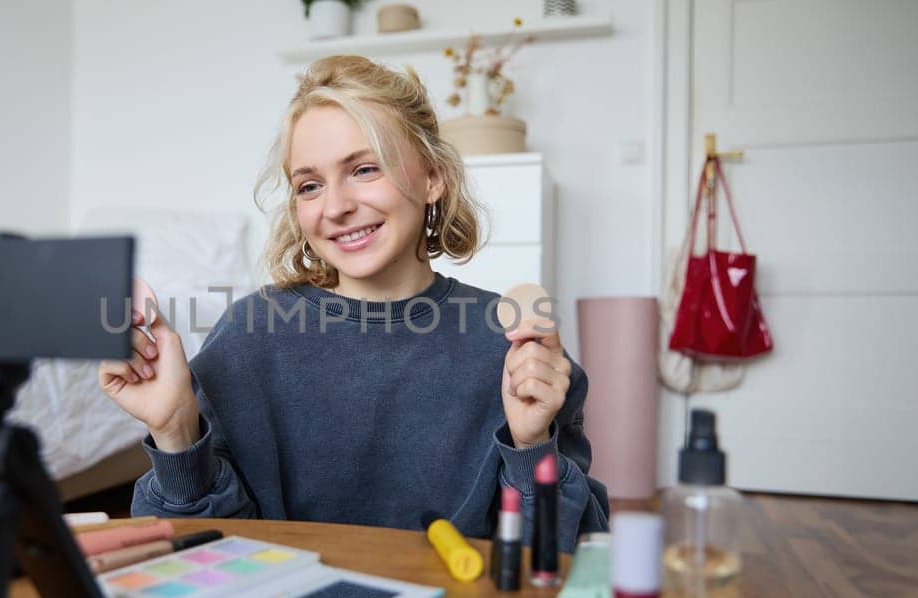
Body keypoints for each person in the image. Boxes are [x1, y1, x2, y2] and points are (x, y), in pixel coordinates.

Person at [97, 55, 608, 551]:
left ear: (433, 177)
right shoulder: (249, 336)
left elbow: (568, 557)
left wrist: (530, 447)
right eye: (310, 185)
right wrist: (175, 429)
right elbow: (199, 554)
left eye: (364, 169)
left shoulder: (512, 348)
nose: (336, 207)